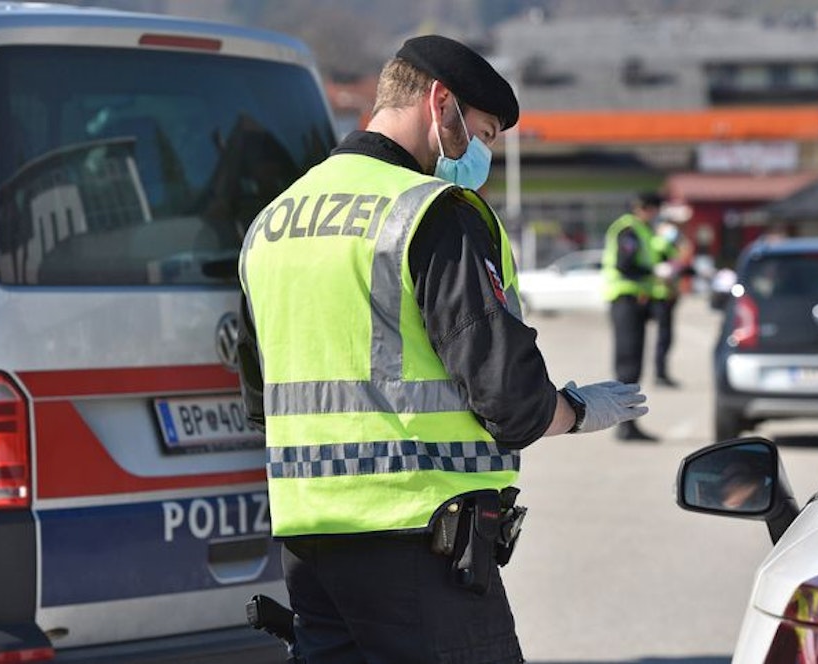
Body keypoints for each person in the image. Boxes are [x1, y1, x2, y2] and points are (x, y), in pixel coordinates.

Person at [236, 34, 650, 664]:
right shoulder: (428, 213)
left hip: (309, 544)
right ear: (440, 102)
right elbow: (509, 399)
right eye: (481, 132)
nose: (480, 151)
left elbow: (261, 401)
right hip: (419, 537)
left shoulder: (273, 222)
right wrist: (576, 410)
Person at [602, 192, 662, 441]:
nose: (657, 215)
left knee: (633, 365)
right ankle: (625, 426)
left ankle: (629, 423)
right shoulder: (629, 229)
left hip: (635, 301)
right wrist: (654, 271)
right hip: (625, 301)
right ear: (644, 208)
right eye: (655, 209)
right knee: (627, 365)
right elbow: (625, 264)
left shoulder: (641, 229)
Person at [648, 216, 684, 388]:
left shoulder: (669, 246)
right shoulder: (659, 245)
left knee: (666, 337)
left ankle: (662, 372)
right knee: (663, 337)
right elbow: (662, 271)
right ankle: (660, 374)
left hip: (668, 296)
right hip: (660, 296)